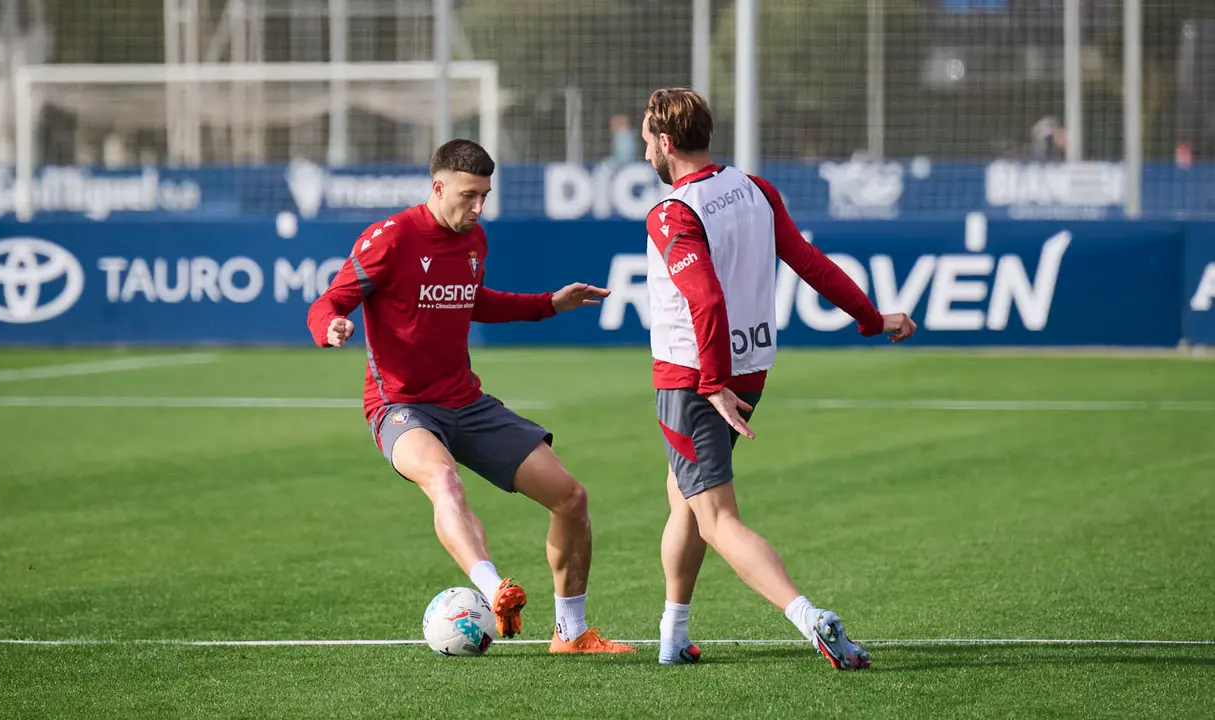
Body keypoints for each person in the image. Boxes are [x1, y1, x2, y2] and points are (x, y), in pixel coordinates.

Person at [306, 138, 634, 655]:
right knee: (442, 478)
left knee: (571, 497)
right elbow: (329, 300)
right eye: (468, 195)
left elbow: (475, 301)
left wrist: (549, 304)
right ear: (438, 187)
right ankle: (493, 589)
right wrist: (331, 327)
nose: (478, 207)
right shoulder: (389, 239)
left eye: (484, 195)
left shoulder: (474, 241)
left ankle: (570, 634)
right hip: (401, 406)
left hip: (467, 402)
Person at [639, 89, 917, 669]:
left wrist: (710, 382)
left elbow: (705, 298)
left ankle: (808, 617)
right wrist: (871, 318)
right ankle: (672, 634)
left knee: (716, 516)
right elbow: (809, 263)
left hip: (695, 381)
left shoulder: (672, 211)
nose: (645, 148)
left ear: (665, 142)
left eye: (647, 138)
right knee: (684, 499)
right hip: (750, 369)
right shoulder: (755, 189)